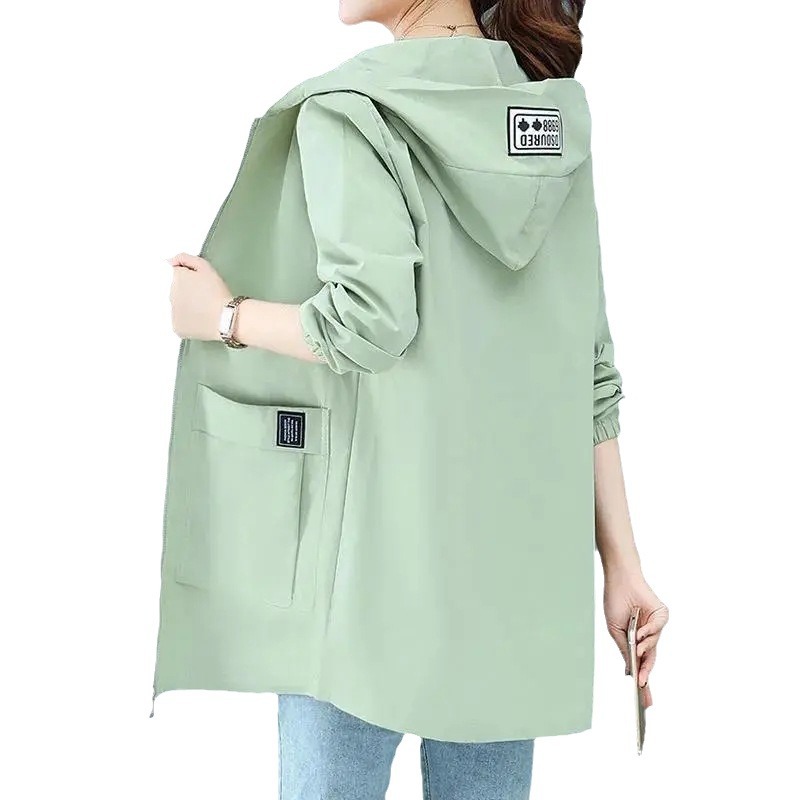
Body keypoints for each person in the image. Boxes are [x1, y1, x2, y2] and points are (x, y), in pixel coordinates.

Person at [154, 1, 669, 797]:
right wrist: (624, 566)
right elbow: (588, 366)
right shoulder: (547, 120)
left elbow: (369, 322)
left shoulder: (354, 112)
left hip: (368, 572)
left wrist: (224, 318)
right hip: (515, 585)